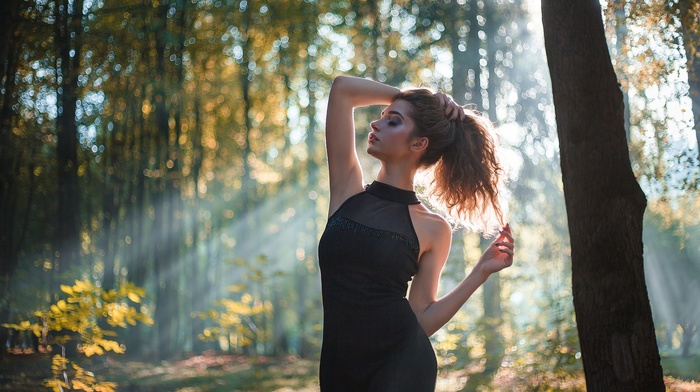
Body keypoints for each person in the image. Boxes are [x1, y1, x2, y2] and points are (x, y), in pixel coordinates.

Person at [317, 76, 515, 391]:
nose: (376, 124)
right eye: (382, 117)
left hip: (402, 365)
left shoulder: (433, 227)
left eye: (393, 122)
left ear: (418, 143)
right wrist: (421, 102)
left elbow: (422, 317)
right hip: (339, 369)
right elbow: (342, 90)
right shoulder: (347, 192)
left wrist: (480, 272)